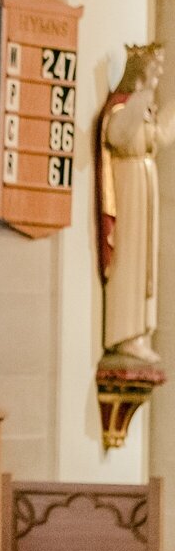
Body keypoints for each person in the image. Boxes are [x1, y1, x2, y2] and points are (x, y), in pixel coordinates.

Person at [97, 43, 175, 363]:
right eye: (154, 65)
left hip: (144, 183)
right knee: (129, 254)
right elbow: (117, 135)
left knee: (145, 260)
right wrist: (142, 96)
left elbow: (159, 136)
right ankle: (124, 332)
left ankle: (140, 330)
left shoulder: (143, 106)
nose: (159, 71)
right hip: (128, 185)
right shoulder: (124, 104)